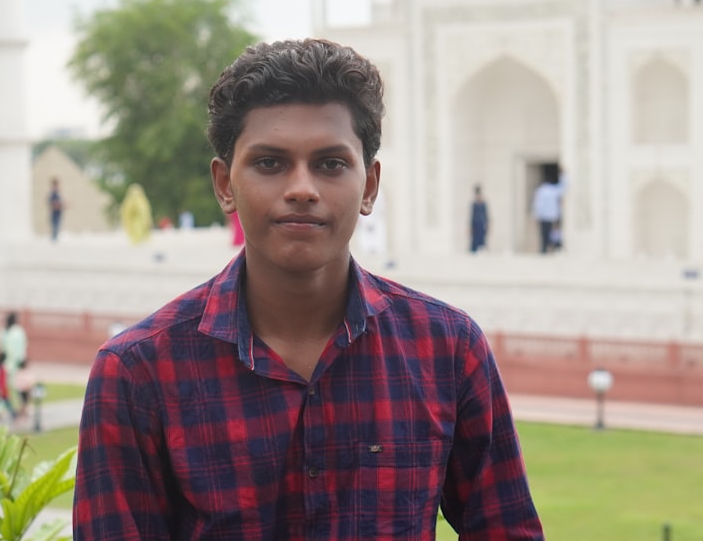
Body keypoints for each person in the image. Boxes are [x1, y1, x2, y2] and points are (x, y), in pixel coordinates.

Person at [73, 39, 543, 539]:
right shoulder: (141, 371)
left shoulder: (444, 350)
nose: (302, 188)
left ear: (369, 186)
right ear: (224, 184)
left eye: (330, 164)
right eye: (270, 163)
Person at [532, 165, 565, 254]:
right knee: (552, 234)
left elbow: (537, 205)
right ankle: (555, 248)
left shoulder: (540, 191)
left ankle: (544, 250)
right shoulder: (553, 190)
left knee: (544, 234)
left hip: (543, 217)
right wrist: (563, 175)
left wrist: (536, 215)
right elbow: (564, 188)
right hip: (552, 216)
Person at [470, 184, 489, 252]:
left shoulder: (483, 203)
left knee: (482, 240)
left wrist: (487, 225)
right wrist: (471, 227)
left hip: (481, 224)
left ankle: (483, 251)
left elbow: (486, 215)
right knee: (475, 240)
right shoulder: (474, 204)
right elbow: (472, 216)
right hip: (475, 224)